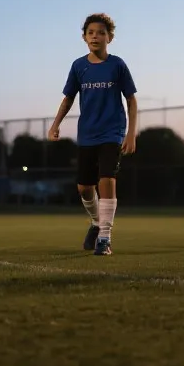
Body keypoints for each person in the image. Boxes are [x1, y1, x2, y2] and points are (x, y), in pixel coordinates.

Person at [48, 13, 137, 256]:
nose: (95, 36)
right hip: (87, 133)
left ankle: (104, 238)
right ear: (84, 37)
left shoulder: (117, 65)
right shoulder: (79, 66)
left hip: (112, 132)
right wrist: (55, 124)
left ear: (110, 37)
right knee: (84, 188)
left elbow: (131, 100)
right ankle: (97, 222)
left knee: (106, 179)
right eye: (91, 33)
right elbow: (68, 99)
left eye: (101, 32)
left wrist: (131, 133)